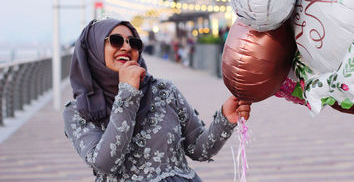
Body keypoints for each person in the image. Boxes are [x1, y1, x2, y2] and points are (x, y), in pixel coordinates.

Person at [63, 18, 251, 182]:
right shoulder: (79, 111)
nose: (127, 47)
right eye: (116, 40)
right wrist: (128, 93)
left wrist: (225, 120)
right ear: (93, 49)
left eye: (134, 42)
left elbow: (198, 148)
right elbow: (105, 164)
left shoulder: (163, 90)